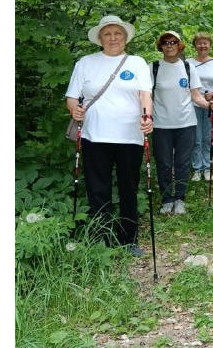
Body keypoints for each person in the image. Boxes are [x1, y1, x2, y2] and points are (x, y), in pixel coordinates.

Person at [65, 15, 153, 255]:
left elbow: (145, 95)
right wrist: (75, 109)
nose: (113, 38)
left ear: (125, 37)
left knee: (128, 188)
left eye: (118, 34)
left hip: (130, 136)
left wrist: (148, 118)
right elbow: (72, 96)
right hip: (95, 136)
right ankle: (100, 238)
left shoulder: (137, 63)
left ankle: (129, 239)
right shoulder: (85, 62)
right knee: (97, 188)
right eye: (108, 33)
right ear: (100, 38)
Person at [149, 31, 213, 215]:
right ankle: (166, 199)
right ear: (161, 46)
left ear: (179, 45)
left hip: (186, 123)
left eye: (173, 42)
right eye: (165, 42)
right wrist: (145, 115)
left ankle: (179, 198)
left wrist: (208, 104)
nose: (169, 45)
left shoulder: (188, 67)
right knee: (163, 163)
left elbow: (196, 96)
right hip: (161, 124)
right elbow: (146, 96)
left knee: (182, 163)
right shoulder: (154, 67)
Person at [188, 32, 213, 182]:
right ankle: (197, 168)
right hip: (193, 104)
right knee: (196, 137)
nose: (203, 46)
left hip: (212, 104)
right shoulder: (188, 62)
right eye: (199, 43)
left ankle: (207, 168)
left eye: (205, 43)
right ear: (195, 45)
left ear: (210, 45)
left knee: (208, 136)